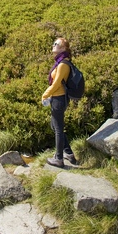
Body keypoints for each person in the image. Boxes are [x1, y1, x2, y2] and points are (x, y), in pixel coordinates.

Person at [42, 37, 77, 168]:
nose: (53, 45)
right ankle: (68, 153)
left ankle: (59, 158)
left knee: (58, 128)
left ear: (63, 48)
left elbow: (56, 83)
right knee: (55, 126)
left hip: (59, 98)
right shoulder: (60, 62)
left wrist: (45, 94)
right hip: (57, 98)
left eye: (56, 44)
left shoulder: (63, 64)